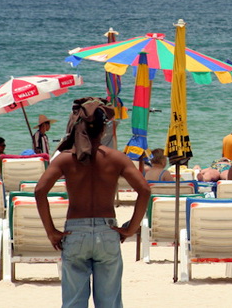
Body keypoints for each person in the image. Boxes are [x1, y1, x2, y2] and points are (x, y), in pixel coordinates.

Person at [34, 97, 150, 308]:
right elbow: (144, 190)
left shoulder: (65, 158)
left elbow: (40, 191)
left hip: (76, 232)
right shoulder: (117, 158)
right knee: (109, 302)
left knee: (73, 302)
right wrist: (131, 227)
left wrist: (51, 230)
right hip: (107, 231)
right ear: (103, 131)